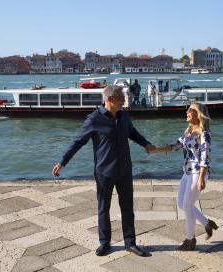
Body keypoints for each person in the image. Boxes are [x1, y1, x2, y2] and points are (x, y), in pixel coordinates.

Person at [52, 84, 154, 257]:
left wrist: (146, 144)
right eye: (121, 98)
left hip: (124, 170)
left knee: (127, 208)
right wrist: (63, 162)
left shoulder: (124, 116)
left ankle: (130, 243)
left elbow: (133, 132)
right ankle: (104, 243)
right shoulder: (94, 119)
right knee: (103, 208)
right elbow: (78, 142)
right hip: (104, 172)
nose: (124, 101)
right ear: (110, 99)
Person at [149, 102, 218, 251]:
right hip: (187, 173)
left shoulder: (204, 133)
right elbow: (175, 145)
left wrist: (201, 178)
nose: (187, 112)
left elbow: (205, 157)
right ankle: (207, 223)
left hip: (197, 174)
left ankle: (190, 239)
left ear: (198, 114)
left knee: (187, 206)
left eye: (190, 109)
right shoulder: (187, 133)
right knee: (181, 204)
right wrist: (156, 150)